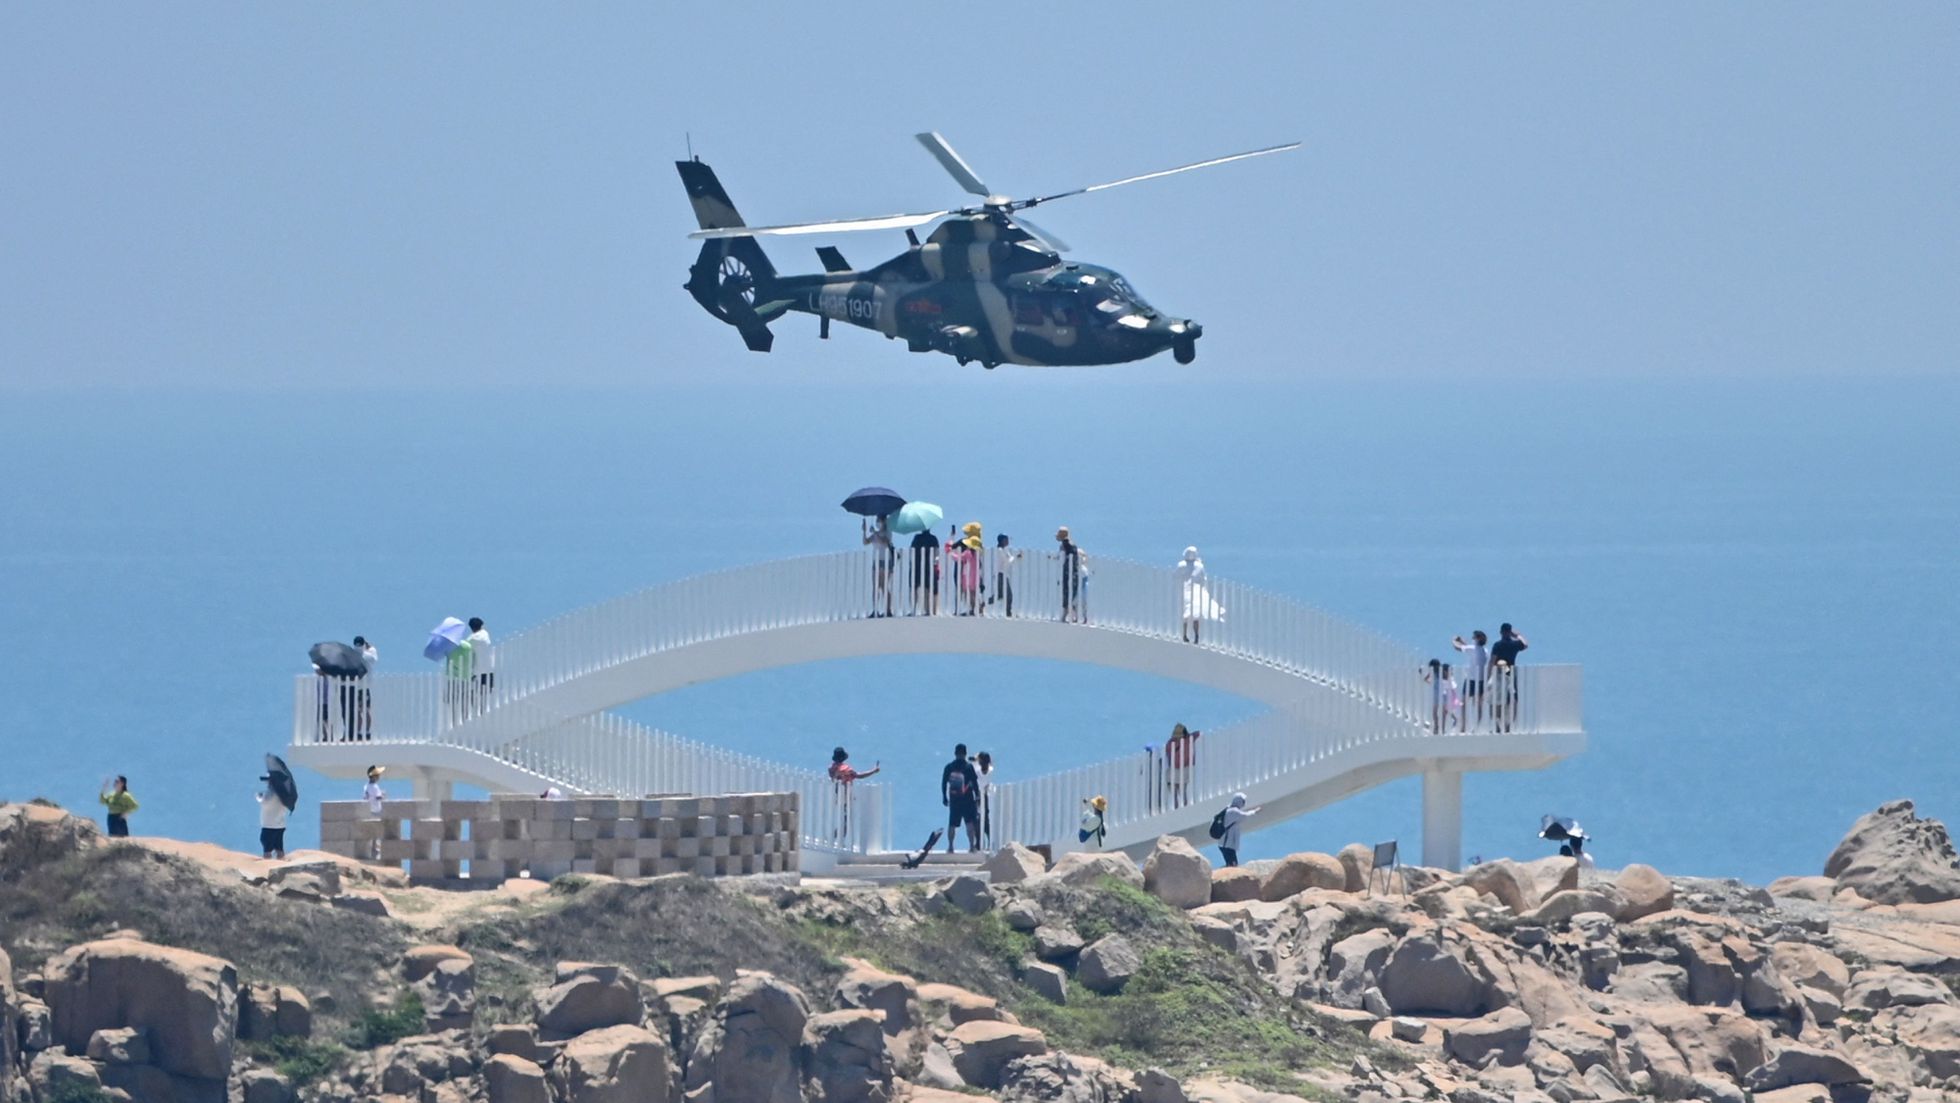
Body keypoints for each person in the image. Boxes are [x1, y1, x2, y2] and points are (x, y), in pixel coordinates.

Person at [941, 743, 981, 853]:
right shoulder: (968, 767)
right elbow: (974, 782)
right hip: (967, 799)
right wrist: (977, 796)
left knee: (952, 824)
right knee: (969, 823)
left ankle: (950, 847)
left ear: (955, 753)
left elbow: (944, 783)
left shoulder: (949, 767)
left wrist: (944, 797)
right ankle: (971, 847)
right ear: (965, 754)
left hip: (954, 800)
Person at [1175, 546, 1220, 644]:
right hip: (1195, 590)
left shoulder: (1182, 565)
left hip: (1187, 590)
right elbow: (1204, 579)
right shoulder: (1199, 565)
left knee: (1188, 613)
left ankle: (1186, 635)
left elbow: (1176, 577)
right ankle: (1194, 635)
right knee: (1194, 614)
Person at [1489, 623, 1528, 730]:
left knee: (1497, 701)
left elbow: (1492, 661)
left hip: (1498, 674)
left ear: (1501, 632)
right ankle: (1508, 725)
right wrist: (1518, 635)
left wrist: (1488, 675)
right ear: (1510, 632)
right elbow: (1525, 644)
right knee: (1512, 700)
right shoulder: (1514, 644)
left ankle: (1497, 725)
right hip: (1510, 673)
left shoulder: (1497, 645)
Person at [1451, 631, 1489, 731]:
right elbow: (1468, 647)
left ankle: (1463, 726)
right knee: (1478, 705)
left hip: (1471, 680)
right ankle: (1476, 726)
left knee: (1463, 703)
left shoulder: (1472, 649)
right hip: (1481, 680)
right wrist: (1462, 641)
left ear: (1477, 639)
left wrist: (1454, 640)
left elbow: (1458, 648)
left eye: (1474, 637)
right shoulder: (1485, 650)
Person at [863, 515, 895, 617]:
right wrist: (864, 531)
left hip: (886, 560)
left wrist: (875, 532)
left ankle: (888, 609)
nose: (878, 523)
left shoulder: (888, 532)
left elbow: (884, 541)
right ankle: (875, 609)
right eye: (877, 521)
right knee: (876, 586)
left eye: (879, 521)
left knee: (883, 585)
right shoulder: (875, 535)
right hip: (876, 561)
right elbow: (865, 542)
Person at [1165, 723, 1202, 807]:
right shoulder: (1189, 738)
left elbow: (1167, 752)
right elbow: (1198, 733)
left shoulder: (1171, 743)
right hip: (1186, 769)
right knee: (1182, 786)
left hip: (1180, 769)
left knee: (1172, 781)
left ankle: (1176, 803)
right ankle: (1183, 802)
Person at [1218, 792, 1258, 867]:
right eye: (1243, 801)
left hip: (1225, 843)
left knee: (1230, 863)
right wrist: (1255, 811)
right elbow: (1245, 816)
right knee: (1233, 864)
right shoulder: (1234, 811)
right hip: (1227, 843)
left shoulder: (1229, 809)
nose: (1244, 803)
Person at [909, 527, 941, 616]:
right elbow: (936, 553)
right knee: (928, 588)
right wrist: (935, 563)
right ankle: (928, 609)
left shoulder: (917, 538)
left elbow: (912, 550)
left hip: (917, 565)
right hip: (929, 565)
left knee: (915, 587)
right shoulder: (933, 539)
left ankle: (913, 609)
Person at [353, 635, 378, 740]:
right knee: (366, 709)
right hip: (366, 686)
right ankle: (367, 732)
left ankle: (358, 732)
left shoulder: (351, 655)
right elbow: (375, 659)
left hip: (355, 686)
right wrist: (370, 647)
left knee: (357, 711)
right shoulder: (368, 655)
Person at [989, 533, 1019, 617]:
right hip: (1001, 575)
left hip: (1003, 575)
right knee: (1008, 595)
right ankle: (1008, 612)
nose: (1008, 541)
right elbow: (1006, 562)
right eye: (1006, 539)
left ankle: (983, 604)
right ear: (1002, 541)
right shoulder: (999, 550)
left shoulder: (1004, 550)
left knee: (999, 595)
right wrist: (1014, 558)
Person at [1056, 526, 1082, 623]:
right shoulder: (1073, 544)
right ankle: (1074, 616)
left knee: (1067, 594)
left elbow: (1062, 557)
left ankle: (1066, 615)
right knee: (1072, 594)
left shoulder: (1065, 544)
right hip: (1074, 572)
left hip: (1068, 572)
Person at [467, 617, 495, 704]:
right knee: (487, 692)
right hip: (489, 667)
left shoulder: (470, 640)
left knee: (477, 692)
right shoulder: (485, 634)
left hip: (477, 671)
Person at [363, 765, 387, 859]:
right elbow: (378, 797)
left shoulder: (366, 786)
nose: (379, 777)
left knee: (372, 833)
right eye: (377, 775)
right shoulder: (375, 787)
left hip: (369, 811)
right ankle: (376, 852)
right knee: (377, 834)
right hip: (376, 812)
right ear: (373, 776)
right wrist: (383, 795)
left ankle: (371, 852)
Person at [256, 787, 288, 859]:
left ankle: (267, 865)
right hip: (280, 825)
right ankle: (281, 863)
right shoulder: (285, 793)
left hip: (269, 825)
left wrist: (259, 797)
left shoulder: (270, 793)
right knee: (279, 847)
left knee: (267, 847)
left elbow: (264, 801)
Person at [974, 751, 997, 849]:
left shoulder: (977, 770)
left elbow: (974, 765)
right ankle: (990, 840)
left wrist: (974, 760)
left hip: (978, 796)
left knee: (977, 820)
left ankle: (979, 842)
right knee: (985, 819)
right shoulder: (991, 770)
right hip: (986, 795)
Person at [1422, 659, 1446, 733]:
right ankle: (1440, 728)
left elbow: (1425, 679)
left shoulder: (1435, 673)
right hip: (1442, 693)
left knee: (1435, 712)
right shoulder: (1442, 672)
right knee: (1442, 712)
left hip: (1437, 693)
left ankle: (1437, 727)